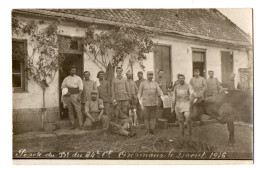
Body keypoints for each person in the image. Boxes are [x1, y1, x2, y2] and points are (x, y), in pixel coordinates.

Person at [61, 65, 84, 130]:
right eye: (72, 70)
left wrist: (79, 96)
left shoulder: (78, 78)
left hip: (76, 95)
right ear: (69, 71)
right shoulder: (66, 79)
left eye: (75, 70)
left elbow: (81, 88)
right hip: (68, 96)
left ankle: (81, 124)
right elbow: (63, 86)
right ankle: (72, 124)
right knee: (70, 110)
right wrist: (66, 92)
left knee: (78, 110)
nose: (74, 71)